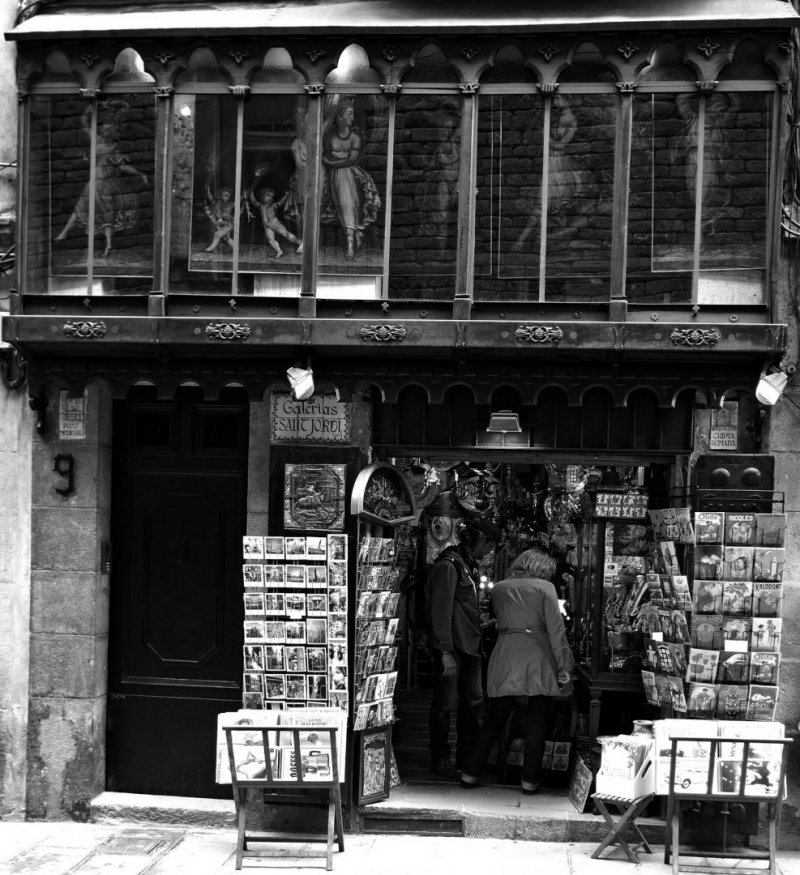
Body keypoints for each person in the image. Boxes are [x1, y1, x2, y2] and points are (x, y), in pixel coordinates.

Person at [459, 547, 574, 794]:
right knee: (537, 720)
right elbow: (556, 631)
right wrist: (565, 665)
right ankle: (530, 780)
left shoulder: (500, 588)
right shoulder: (546, 589)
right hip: (538, 655)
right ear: (543, 568)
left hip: (506, 652)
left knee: (496, 718)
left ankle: (470, 772)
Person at [425, 516, 501, 776]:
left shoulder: (468, 565)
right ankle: (440, 756)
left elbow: (462, 609)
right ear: (479, 539)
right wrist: (445, 651)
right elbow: (441, 611)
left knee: (472, 702)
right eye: (489, 546)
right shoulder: (449, 566)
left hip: (470, 647)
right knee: (445, 704)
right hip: (453, 648)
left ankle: (467, 757)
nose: (489, 552)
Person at [55, 105, 148, 256]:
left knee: (107, 214)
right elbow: (84, 123)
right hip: (95, 182)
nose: (106, 132)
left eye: (109, 130)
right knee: (82, 207)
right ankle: (64, 233)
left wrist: (139, 174)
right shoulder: (96, 141)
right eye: (104, 129)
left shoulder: (114, 148)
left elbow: (123, 167)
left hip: (108, 184)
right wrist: (89, 108)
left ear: (112, 133)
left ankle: (109, 244)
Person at [321, 96, 381, 260]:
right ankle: (354, 237)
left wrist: (333, 162)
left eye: (353, 114)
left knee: (348, 204)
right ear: (339, 117)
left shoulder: (355, 137)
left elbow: (351, 160)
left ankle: (350, 247)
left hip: (350, 176)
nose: (352, 118)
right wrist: (331, 161)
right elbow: (324, 157)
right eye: (349, 114)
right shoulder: (331, 137)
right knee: (341, 205)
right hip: (333, 177)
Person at [247, 186, 302, 257]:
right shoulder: (260, 206)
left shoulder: (273, 205)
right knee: (271, 240)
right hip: (267, 226)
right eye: (268, 195)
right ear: (261, 196)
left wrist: (286, 195)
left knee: (286, 234)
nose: (270, 198)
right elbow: (253, 200)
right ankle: (279, 251)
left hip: (276, 224)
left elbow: (281, 202)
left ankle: (299, 242)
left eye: (272, 197)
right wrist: (251, 191)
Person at [203, 185, 236, 252]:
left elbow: (239, 201)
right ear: (221, 196)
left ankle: (211, 248)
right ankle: (235, 248)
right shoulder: (217, 204)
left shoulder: (231, 204)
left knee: (217, 234)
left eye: (228, 196)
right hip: (222, 224)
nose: (227, 198)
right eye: (225, 195)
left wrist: (244, 197)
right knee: (227, 238)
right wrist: (208, 191)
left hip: (229, 224)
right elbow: (210, 198)